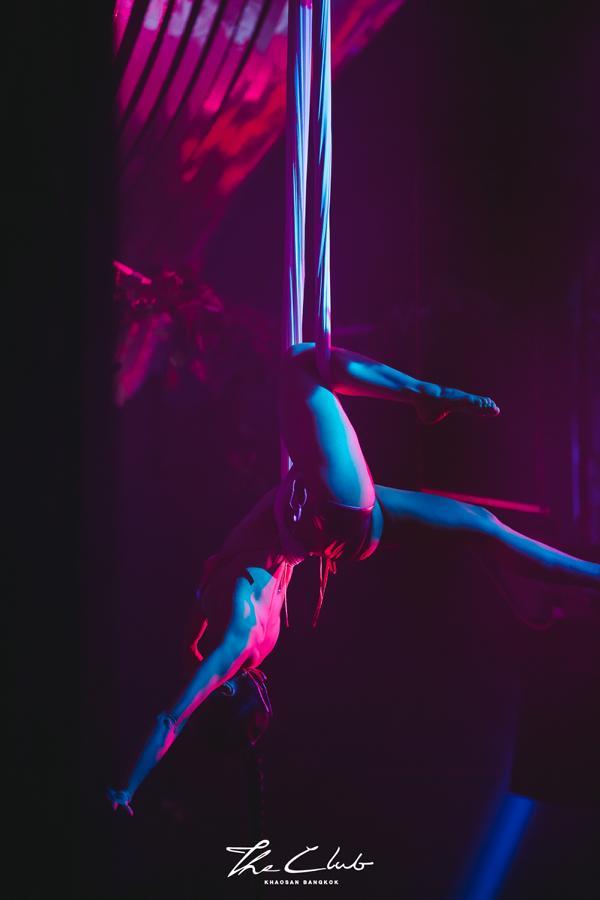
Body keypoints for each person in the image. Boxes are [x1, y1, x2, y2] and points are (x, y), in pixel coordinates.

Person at [108, 343, 599, 814]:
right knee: (300, 363)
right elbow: (171, 717)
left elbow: (186, 678)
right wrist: (127, 787)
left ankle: (591, 577)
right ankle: (426, 395)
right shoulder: (235, 633)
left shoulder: (242, 642)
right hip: (333, 507)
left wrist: (146, 767)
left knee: (482, 525)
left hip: (347, 530)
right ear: (225, 687)